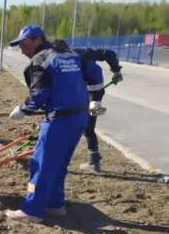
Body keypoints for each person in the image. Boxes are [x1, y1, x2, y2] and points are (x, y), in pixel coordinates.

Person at [5, 25, 99, 223]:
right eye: (19, 45)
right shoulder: (70, 54)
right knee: (59, 163)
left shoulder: (41, 60)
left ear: (38, 39)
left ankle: (32, 210)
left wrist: (23, 109)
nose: (21, 49)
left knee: (40, 164)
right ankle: (55, 205)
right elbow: (95, 71)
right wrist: (96, 98)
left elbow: (39, 95)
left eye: (24, 43)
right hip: (79, 117)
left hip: (59, 120)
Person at [52, 39, 123, 173]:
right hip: (88, 92)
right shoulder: (74, 55)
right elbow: (108, 53)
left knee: (83, 126)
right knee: (87, 126)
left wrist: (116, 71)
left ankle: (88, 162)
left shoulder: (74, 57)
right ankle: (94, 161)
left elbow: (108, 54)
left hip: (90, 91)